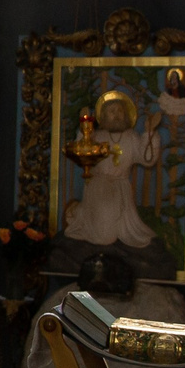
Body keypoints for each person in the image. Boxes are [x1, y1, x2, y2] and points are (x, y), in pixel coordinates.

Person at [62, 90, 161, 250]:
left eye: (120, 111)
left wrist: (149, 132)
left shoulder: (132, 137)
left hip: (121, 187)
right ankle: (80, 216)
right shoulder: (98, 136)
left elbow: (147, 159)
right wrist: (84, 127)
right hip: (98, 187)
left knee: (127, 233)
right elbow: (82, 149)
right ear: (104, 116)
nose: (117, 115)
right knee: (104, 237)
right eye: (112, 111)